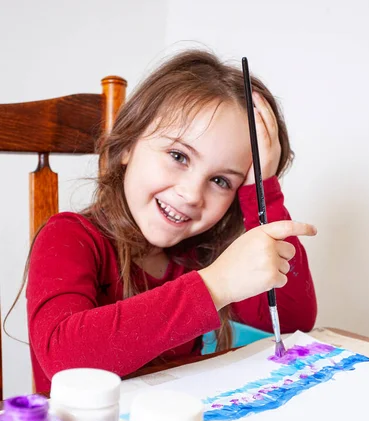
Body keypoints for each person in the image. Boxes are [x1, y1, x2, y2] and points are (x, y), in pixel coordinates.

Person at [26, 49, 317, 393]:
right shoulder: (69, 236)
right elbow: (65, 361)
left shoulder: (199, 252)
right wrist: (216, 285)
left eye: (222, 180)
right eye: (178, 156)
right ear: (126, 146)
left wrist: (263, 188)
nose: (193, 194)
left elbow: (293, 320)